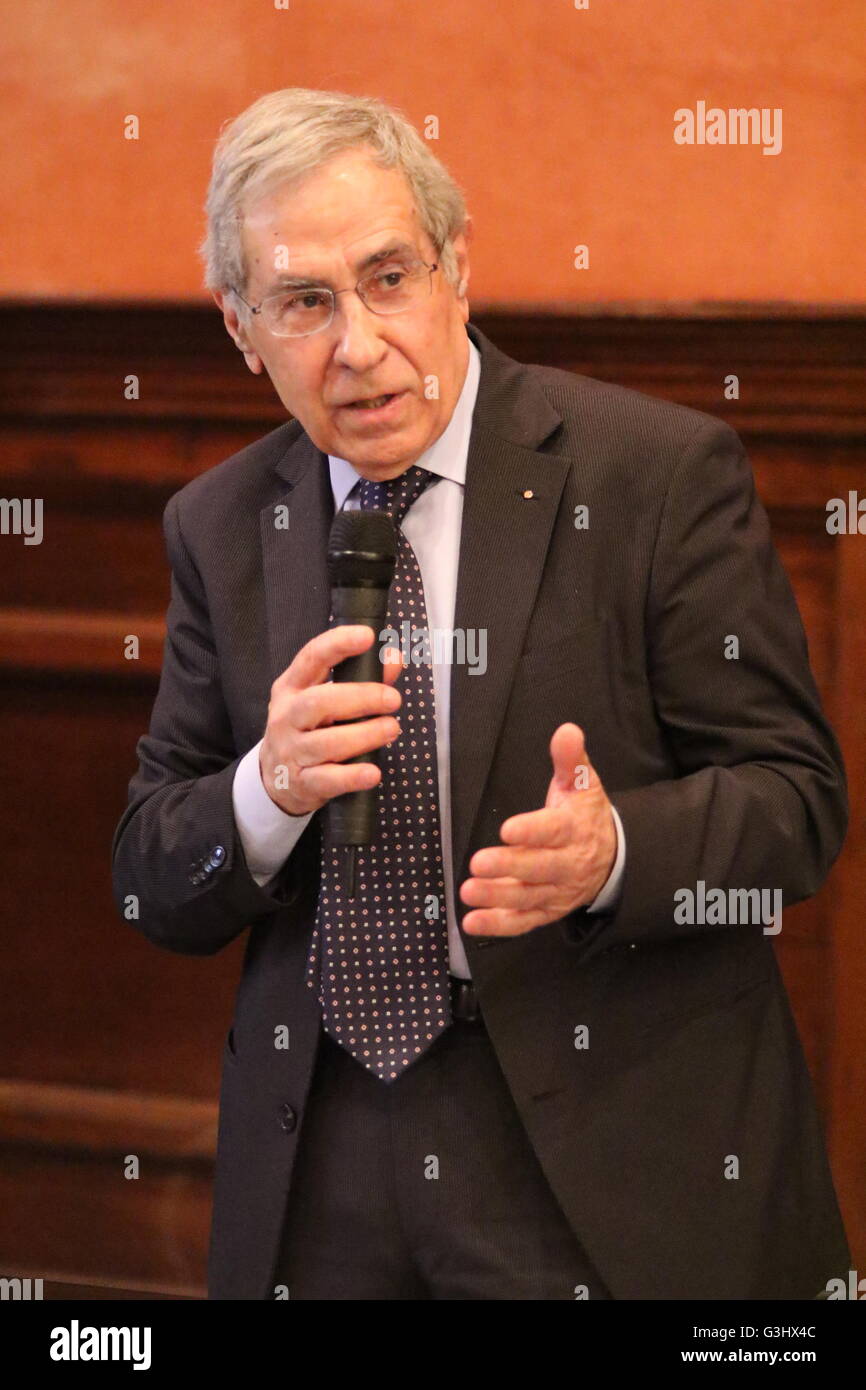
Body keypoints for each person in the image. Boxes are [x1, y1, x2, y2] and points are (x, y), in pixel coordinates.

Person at [112, 87, 850, 1300]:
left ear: (457, 267)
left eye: (388, 276)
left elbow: (798, 803)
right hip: (327, 1142)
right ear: (240, 327)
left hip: (596, 1125)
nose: (355, 344)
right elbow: (151, 873)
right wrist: (265, 789)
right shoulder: (221, 524)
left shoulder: (654, 476)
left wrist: (614, 850)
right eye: (302, 302)